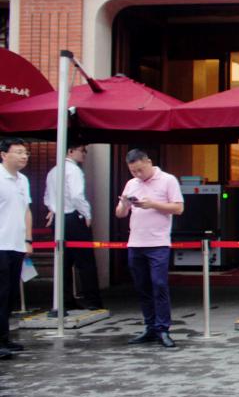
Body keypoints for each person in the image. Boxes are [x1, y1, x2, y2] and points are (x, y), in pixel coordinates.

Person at [115, 149, 184, 349]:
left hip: (158, 243)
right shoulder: (131, 184)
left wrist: (152, 204)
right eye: (133, 171)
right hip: (135, 242)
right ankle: (150, 327)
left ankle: (163, 328)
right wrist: (124, 204)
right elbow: (120, 214)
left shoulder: (168, 180)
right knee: (142, 287)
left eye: (140, 170)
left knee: (159, 285)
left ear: (149, 162)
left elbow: (178, 208)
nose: (137, 174)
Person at [43, 143, 104, 311]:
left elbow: (47, 197)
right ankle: (93, 301)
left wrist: (52, 209)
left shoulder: (53, 171)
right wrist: (87, 214)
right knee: (86, 262)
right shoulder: (74, 170)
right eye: (82, 150)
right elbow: (77, 195)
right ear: (70, 151)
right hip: (74, 217)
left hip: (58, 218)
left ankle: (65, 301)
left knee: (63, 262)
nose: (84, 153)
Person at [0, 138, 31, 359]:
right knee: (0, 294)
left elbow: (26, 210)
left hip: (16, 244)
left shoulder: (23, 180)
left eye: (25, 152)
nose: (24, 156)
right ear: (3, 155)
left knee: (10, 294)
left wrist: (28, 240)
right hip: (1, 245)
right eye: (18, 152)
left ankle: (4, 338)